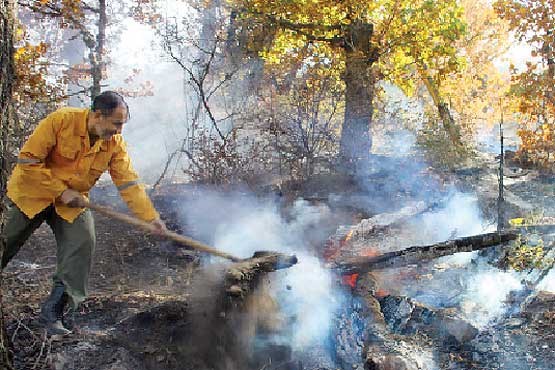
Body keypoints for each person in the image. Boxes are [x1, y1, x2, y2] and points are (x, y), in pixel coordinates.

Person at [1, 91, 166, 335]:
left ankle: (53, 314)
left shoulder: (114, 143)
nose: (119, 130)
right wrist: (60, 191)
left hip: (71, 202)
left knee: (83, 241)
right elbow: (28, 161)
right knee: (6, 239)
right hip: (32, 193)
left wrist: (150, 218)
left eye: (122, 124)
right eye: (116, 123)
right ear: (98, 116)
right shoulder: (60, 120)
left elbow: (128, 183)